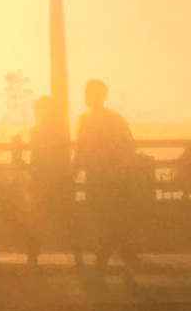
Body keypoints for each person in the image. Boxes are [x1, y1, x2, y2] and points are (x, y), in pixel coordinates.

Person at [74, 80, 142, 280]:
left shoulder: (87, 121)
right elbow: (129, 150)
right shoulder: (117, 120)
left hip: (99, 179)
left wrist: (73, 172)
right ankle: (123, 260)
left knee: (104, 222)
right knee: (114, 221)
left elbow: (81, 151)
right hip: (118, 179)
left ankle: (108, 263)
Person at [27, 95, 77, 267]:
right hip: (60, 180)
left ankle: (32, 261)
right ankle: (79, 259)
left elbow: (36, 159)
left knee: (36, 222)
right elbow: (65, 156)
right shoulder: (61, 130)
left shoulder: (37, 132)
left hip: (42, 181)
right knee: (68, 219)